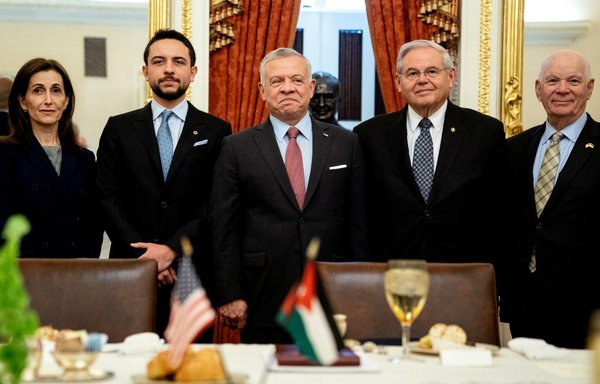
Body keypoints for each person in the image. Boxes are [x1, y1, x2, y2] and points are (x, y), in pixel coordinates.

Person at [211, 48, 368, 343]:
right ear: (262, 90)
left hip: (331, 292)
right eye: (277, 81)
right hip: (262, 295)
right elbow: (224, 228)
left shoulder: (347, 144)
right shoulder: (236, 148)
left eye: (296, 79)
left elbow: (359, 225)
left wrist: (358, 290)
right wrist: (230, 293)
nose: (287, 87)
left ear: (310, 88)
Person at [96, 29, 232, 337]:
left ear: (192, 72)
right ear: (146, 71)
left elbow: (215, 203)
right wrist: (147, 258)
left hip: (192, 275)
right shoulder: (119, 128)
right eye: (159, 61)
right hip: (130, 271)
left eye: (178, 61)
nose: (169, 69)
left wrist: (170, 250)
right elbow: (106, 197)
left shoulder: (218, 130)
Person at [354, 39, 507, 264]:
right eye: (412, 73)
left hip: (463, 274)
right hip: (392, 274)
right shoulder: (369, 135)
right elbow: (360, 215)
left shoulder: (485, 132)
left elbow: (501, 212)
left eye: (432, 71)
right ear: (398, 81)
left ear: (451, 76)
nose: (422, 80)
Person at [504, 50, 599, 348]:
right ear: (538, 89)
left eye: (573, 80)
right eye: (553, 80)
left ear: (589, 88)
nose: (562, 89)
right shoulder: (513, 149)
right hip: (524, 304)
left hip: (587, 304)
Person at [0, 58, 102, 257]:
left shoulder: (85, 159)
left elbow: (94, 223)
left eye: (56, 90)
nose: (48, 100)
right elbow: (2, 222)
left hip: (76, 271)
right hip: (25, 271)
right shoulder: (5, 153)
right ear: (23, 101)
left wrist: (86, 264)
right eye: (38, 90)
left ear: (66, 101)